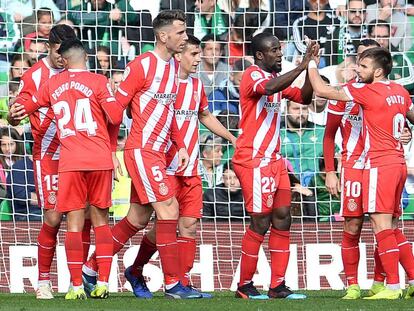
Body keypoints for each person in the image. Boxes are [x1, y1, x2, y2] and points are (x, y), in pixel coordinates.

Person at [82, 10, 204, 300]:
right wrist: (110, 147)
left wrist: (180, 143)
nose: (185, 37)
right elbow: (114, 111)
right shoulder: (142, 65)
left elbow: (168, 110)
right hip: (142, 150)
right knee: (170, 211)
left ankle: (90, 269)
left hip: (160, 152)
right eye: (180, 33)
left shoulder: (174, 67)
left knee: (136, 219)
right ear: (163, 36)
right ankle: (174, 284)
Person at [121, 34, 237, 299]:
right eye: (194, 54)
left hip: (191, 166)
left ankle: (181, 282)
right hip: (163, 164)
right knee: (150, 221)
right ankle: (132, 270)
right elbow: (133, 111)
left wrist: (232, 137)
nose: (199, 59)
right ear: (178, 55)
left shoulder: (196, 86)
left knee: (188, 226)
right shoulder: (161, 83)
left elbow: (205, 115)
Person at [10, 38, 121, 300]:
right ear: (85, 58)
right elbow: (116, 116)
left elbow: (25, 107)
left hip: (69, 162)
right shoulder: (98, 82)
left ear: (65, 59)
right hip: (99, 159)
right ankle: (103, 282)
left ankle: (75, 286)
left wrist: (14, 114)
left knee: (72, 223)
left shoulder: (53, 83)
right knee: (101, 222)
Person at [309, 46, 414, 299]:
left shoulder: (362, 91)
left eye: (363, 64)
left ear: (377, 70)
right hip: (357, 167)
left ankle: (386, 284)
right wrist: (331, 171)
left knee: (383, 225)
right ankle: (354, 284)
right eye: (357, 61)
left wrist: (310, 64)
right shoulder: (396, 91)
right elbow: (329, 134)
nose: (357, 67)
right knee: (355, 225)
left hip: (377, 165)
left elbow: (322, 90)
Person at [232, 32, 315, 299]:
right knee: (260, 221)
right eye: (275, 50)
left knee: (283, 218)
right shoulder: (253, 75)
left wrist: (311, 68)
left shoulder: (273, 80)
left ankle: (277, 286)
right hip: (253, 160)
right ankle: (244, 285)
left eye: (280, 50)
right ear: (260, 55)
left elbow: (303, 98)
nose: (279, 54)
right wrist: (300, 66)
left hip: (275, 161)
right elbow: (268, 89)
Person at [7, 24, 83, 300]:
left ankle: (80, 279)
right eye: (58, 51)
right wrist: (14, 116)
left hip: (78, 152)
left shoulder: (76, 70)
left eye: (67, 52)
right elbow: (19, 110)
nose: (63, 57)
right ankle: (43, 281)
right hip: (48, 154)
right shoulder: (34, 75)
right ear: (48, 46)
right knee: (53, 216)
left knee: (82, 215)